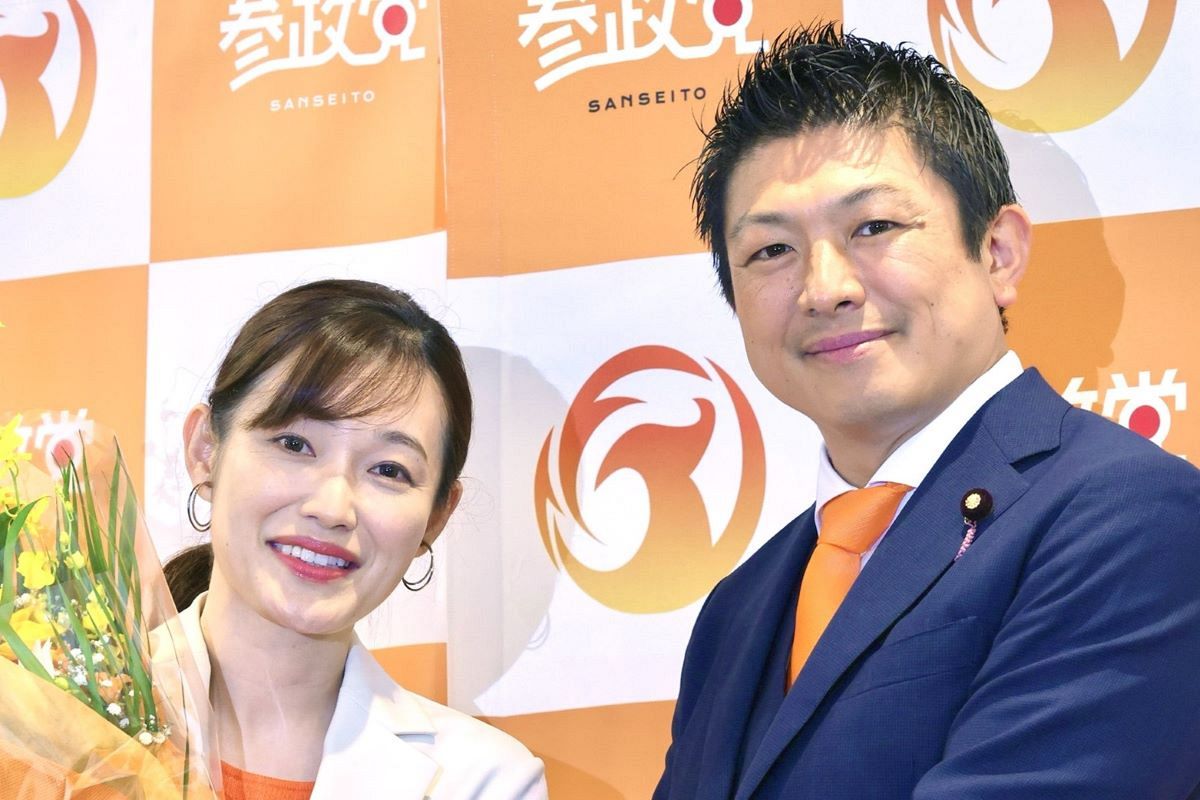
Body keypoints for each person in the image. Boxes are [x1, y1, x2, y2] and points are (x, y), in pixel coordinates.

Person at [654, 22, 1200, 800]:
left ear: (998, 252)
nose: (825, 289)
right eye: (771, 251)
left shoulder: (1129, 514)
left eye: (874, 227)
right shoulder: (738, 608)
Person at [165, 279, 547, 799]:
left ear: (436, 517)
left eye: (388, 470)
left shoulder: (484, 781)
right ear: (206, 449)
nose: (332, 508)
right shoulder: (65, 711)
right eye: (294, 443)